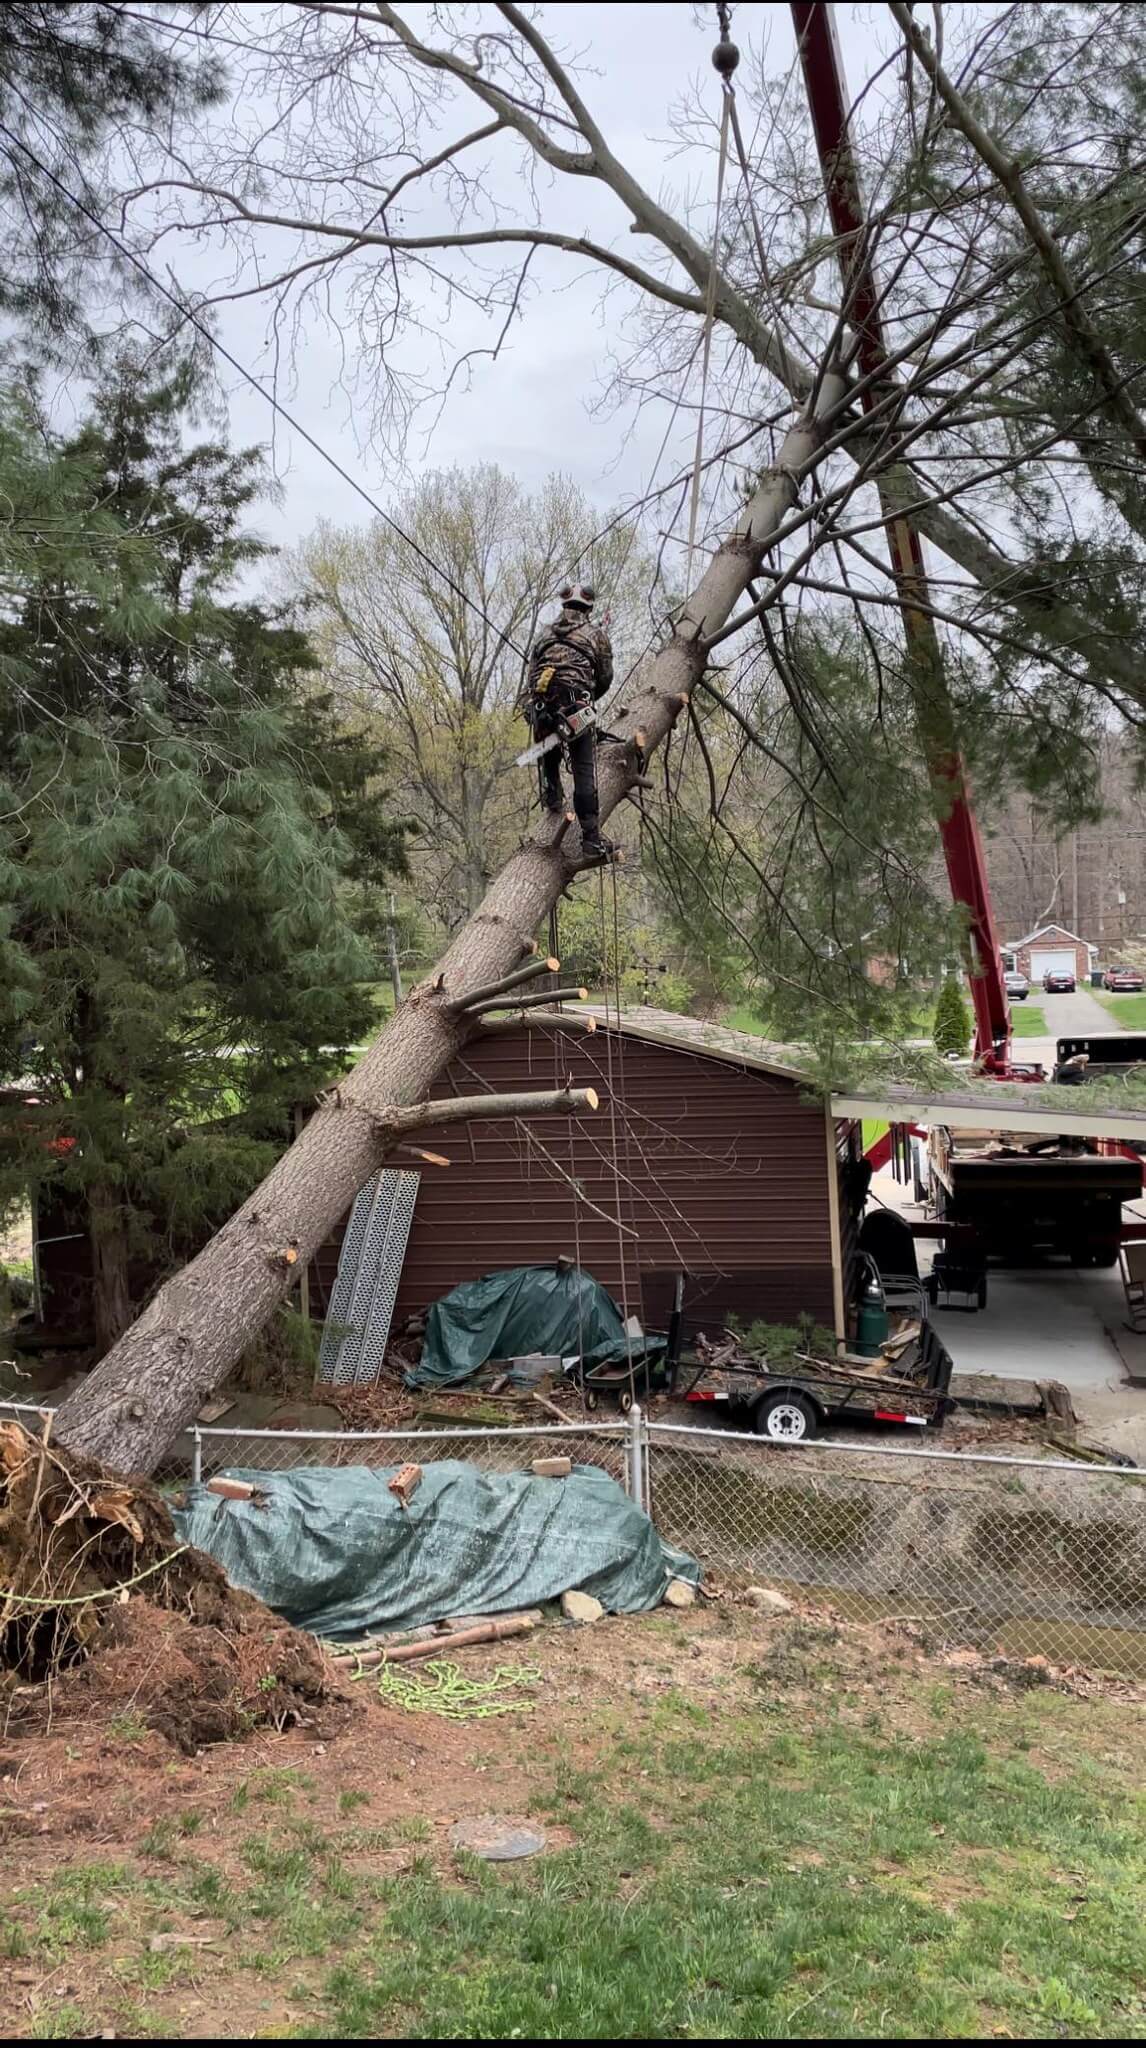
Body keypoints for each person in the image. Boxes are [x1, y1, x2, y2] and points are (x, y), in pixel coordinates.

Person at [526, 581, 614, 856]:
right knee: (583, 767)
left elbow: (531, 674)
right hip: (577, 706)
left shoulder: (544, 633)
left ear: (564, 604)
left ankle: (552, 794)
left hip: (541, 703)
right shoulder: (596, 634)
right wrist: (588, 695)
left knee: (548, 743)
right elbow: (605, 677)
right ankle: (591, 838)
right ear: (588, 608)